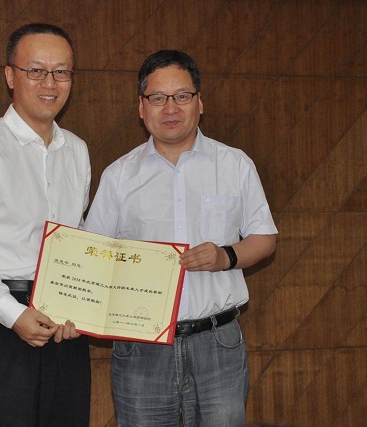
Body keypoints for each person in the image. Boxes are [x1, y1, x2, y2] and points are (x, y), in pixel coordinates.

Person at [84, 50, 277, 426]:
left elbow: (264, 237)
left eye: (182, 96)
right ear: (142, 107)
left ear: (199, 103)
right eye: (158, 97)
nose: (170, 107)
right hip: (142, 345)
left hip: (217, 341)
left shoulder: (234, 164)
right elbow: (93, 257)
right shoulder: (119, 176)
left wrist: (225, 256)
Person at [0, 23, 91, 426]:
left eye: (61, 72)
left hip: (64, 317)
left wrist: (81, 307)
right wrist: (13, 314)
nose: (50, 83)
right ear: (11, 75)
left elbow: (75, 236)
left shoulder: (77, 150)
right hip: (3, 319)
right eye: (36, 70)